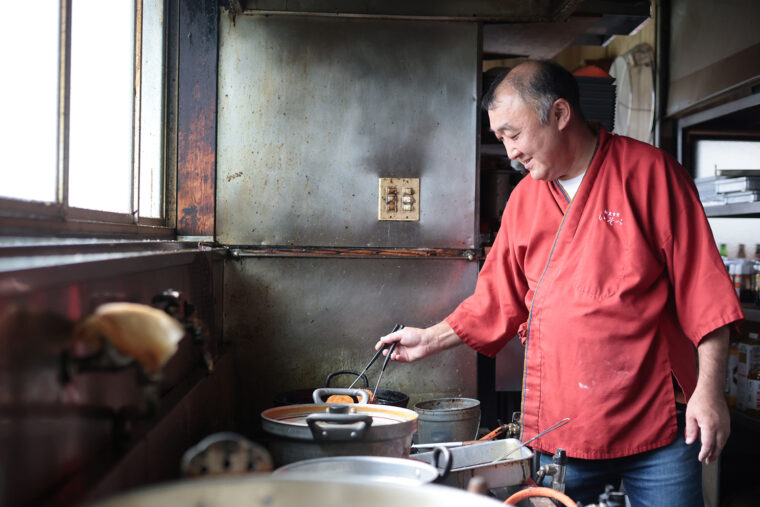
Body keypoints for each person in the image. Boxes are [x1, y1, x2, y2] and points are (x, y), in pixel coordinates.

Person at [376, 60, 744, 505]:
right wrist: (427, 339)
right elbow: (495, 300)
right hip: (561, 423)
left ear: (560, 114)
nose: (510, 152)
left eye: (513, 134)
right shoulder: (524, 200)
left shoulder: (651, 174)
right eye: (501, 139)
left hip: (657, 423)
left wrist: (709, 392)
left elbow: (705, 295)